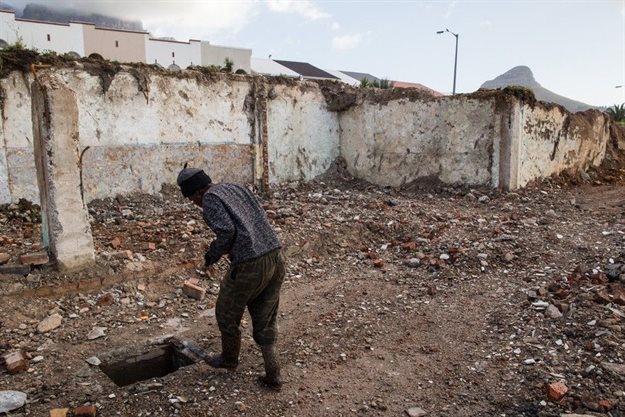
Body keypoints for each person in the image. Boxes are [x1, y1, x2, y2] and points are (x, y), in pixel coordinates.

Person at [177, 165, 285, 390]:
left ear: (196, 193)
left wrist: (213, 254)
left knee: (226, 312)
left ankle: (228, 360)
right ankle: (273, 373)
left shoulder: (209, 198)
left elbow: (227, 231)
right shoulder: (234, 187)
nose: (195, 204)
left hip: (250, 264)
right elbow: (258, 215)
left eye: (191, 200)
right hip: (275, 256)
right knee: (265, 316)